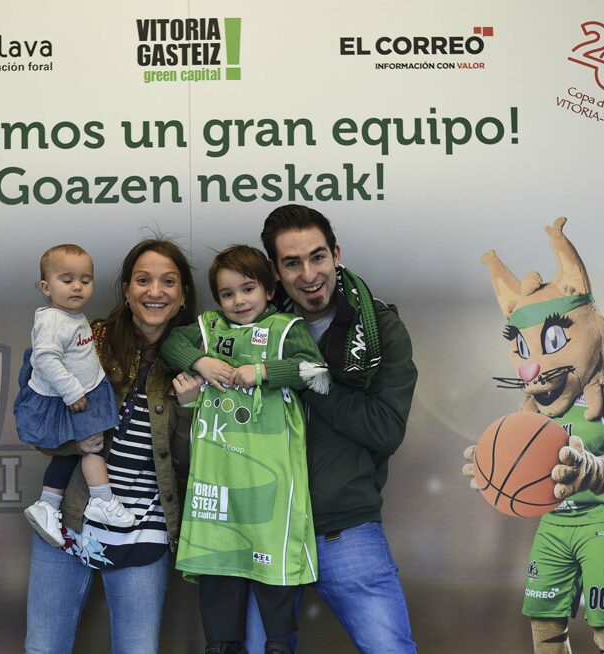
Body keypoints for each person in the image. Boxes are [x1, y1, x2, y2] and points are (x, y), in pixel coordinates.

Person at [245, 204, 419, 653]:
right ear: (274, 270)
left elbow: (385, 429)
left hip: (345, 526)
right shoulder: (250, 328)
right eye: (292, 263)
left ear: (335, 254)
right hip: (266, 529)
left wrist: (304, 378)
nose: (308, 275)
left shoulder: (378, 327)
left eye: (317, 257)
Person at [24, 238, 202, 654]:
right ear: (126, 290)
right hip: (69, 519)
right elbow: (37, 424)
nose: (155, 291)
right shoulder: (88, 339)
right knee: (44, 649)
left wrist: (189, 408)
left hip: (144, 528)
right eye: (143, 280)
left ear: (182, 295)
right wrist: (75, 440)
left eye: (168, 282)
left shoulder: (197, 358)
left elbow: (188, 465)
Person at [161, 245, 330, 654]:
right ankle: (221, 644)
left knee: (272, 552)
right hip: (217, 476)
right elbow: (170, 343)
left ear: (269, 289)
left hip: (271, 474)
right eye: (227, 293)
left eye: (248, 289)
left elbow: (316, 372)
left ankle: (278, 642)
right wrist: (201, 363)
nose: (238, 301)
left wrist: (264, 372)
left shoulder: (286, 328)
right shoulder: (209, 328)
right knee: (218, 557)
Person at [15, 244, 136, 548]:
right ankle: (101, 498)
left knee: (77, 452)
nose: (78, 286)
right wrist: (72, 392)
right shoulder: (52, 321)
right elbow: (45, 359)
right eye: (67, 280)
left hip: (82, 393)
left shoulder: (71, 316)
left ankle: (47, 504)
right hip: (70, 399)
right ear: (46, 288)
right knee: (92, 446)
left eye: (85, 279)